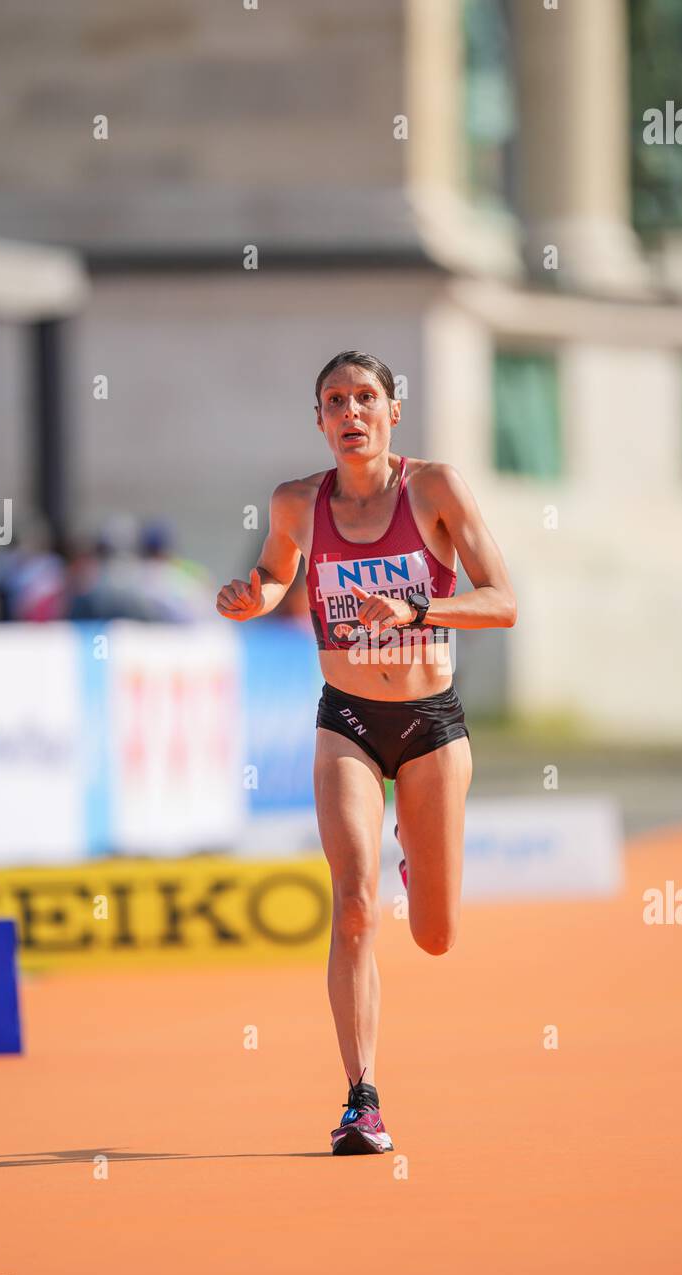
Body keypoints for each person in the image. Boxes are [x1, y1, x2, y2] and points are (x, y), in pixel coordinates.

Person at [216, 350, 516, 1154]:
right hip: (345, 717)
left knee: (435, 934)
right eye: (334, 401)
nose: (351, 413)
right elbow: (275, 576)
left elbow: (503, 601)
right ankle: (363, 1099)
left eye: (365, 398)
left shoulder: (435, 489)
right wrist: (253, 598)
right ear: (318, 420)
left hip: (430, 724)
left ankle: (420, 858)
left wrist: (418, 609)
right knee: (352, 908)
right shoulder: (293, 501)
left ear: (392, 412)